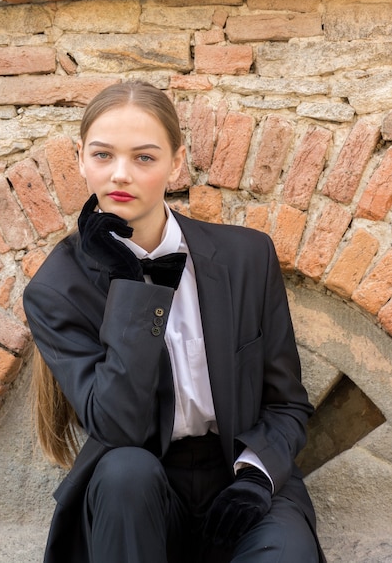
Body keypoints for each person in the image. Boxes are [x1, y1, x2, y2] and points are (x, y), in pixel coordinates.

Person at [23, 80, 326, 563]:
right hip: (136, 490)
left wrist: (255, 475)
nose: (120, 175)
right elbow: (117, 428)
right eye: (103, 155)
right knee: (126, 472)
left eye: (144, 157)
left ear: (176, 163)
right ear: (80, 159)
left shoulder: (247, 256)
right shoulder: (56, 290)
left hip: (237, 474)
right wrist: (133, 291)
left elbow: (287, 404)